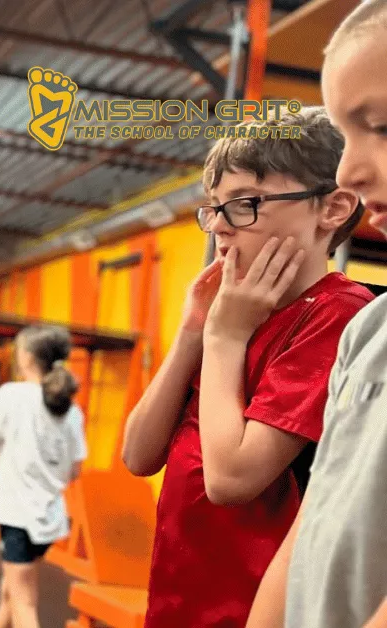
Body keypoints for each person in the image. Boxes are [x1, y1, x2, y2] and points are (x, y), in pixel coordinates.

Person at [119, 107, 373, 627]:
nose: (217, 227)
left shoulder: (336, 313)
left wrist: (225, 336)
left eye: (243, 205)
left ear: (331, 208)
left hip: (249, 608)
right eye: (212, 209)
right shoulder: (232, 312)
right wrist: (194, 330)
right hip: (177, 602)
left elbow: (231, 478)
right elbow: (138, 454)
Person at [246, 3, 387, 627]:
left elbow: (234, 473)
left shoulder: (338, 312)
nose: (351, 170)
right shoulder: (368, 333)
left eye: (382, 126)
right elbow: (310, 529)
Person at [0, 326, 86, 628]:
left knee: (23, 602)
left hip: (17, 519)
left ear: (27, 357)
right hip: (49, 520)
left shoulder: (12, 395)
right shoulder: (73, 411)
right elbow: (75, 470)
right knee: (12, 588)